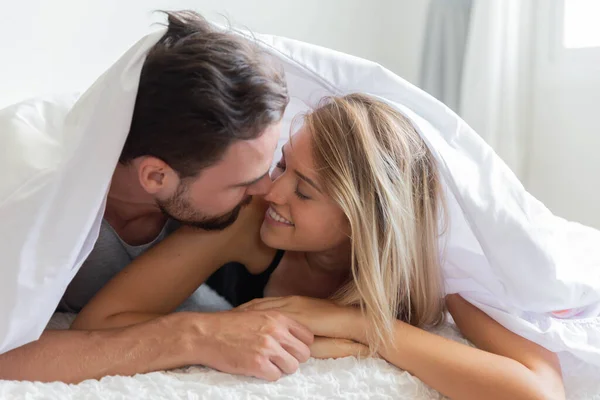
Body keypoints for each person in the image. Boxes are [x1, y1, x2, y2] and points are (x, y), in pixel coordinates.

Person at [72, 94, 566, 400]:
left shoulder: (444, 274)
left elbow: (539, 392)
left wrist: (362, 326)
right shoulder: (246, 221)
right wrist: (230, 329)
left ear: (362, 222)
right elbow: (101, 323)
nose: (269, 189)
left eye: (303, 191)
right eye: (283, 165)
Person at [0, 11, 315, 383]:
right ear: (156, 176)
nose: (266, 190)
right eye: (242, 183)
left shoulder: (210, 151)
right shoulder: (25, 194)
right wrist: (191, 336)